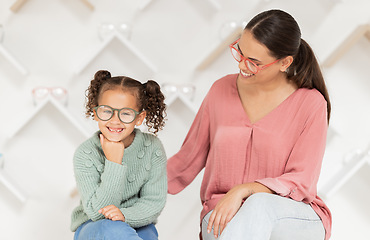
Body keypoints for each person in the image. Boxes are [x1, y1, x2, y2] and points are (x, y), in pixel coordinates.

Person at [167, 9, 332, 240]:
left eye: (254, 62)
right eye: (240, 53)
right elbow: (185, 161)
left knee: (258, 205)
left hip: (289, 216)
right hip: (222, 215)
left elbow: (302, 180)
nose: (242, 66)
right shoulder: (220, 90)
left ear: (285, 62)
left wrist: (244, 190)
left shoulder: (311, 103)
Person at [70, 70, 167, 240]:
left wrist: (123, 215)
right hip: (93, 226)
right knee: (115, 231)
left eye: (126, 113)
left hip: (136, 222)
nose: (115, 120)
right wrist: (113, 162)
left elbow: (153, 202)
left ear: (139, 117)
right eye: (107, 111)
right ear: (95, 113)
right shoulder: (85, 154)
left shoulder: (152, 148)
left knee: (147, 235)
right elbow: (96, 213)